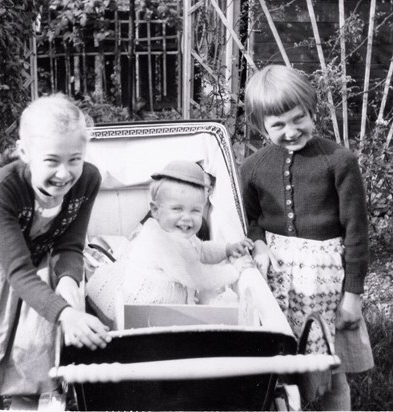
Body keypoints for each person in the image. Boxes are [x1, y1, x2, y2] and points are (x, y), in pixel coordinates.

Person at [240, 64, 373, 411]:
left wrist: (353, 295)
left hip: (324, 282)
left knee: (330, 369)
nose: (290, 130)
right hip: (277, 281)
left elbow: (356, 232)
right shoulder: (252, 167)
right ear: (260, 126)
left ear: (312, 111)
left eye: (298, 118)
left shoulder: (338, 161)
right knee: (277, 369)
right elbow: (250, 218)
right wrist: (257, 243)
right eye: (278, 125)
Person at [0, 94, 112, 409]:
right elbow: (18, 271)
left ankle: (34, 396)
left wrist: (67, 277)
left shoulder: (88, 179)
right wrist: (65, 313)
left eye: (74, 159)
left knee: (36, 350)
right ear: (25, 153)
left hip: (40, 262)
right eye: (52, 160)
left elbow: (71, 244)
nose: (64, 173)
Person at [86, 160, 255, 322]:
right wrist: (234, 270)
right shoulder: (157, 239)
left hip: (162, 308)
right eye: (177, 209)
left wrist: (227, 249)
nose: (187, 218)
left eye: (195, 210)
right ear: (155, 210)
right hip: (138, 308)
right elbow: (196, 276)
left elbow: (200, 250)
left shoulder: (177, 233)